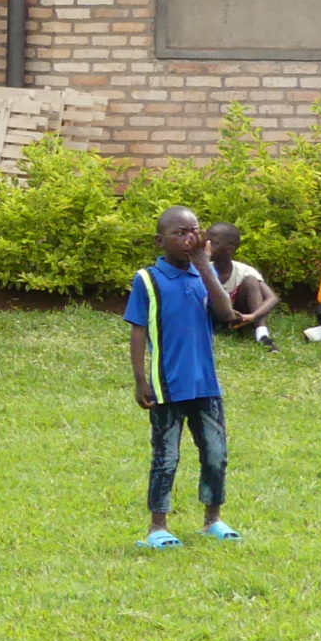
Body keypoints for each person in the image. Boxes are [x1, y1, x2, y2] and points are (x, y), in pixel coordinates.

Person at [126, 206, 240, 548]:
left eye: (194, 230)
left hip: (205, 383)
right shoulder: (148, 279)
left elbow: (226, 313)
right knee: (166, 456)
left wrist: (204, 265)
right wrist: (140, 380)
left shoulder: (204, 274)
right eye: (179, 232)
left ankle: (213, 519)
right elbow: (138, 330)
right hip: (167, 384)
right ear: (161, 241)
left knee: (216, 453)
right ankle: (157, 526)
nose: (189, 237)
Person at [204, 222, 279, 348]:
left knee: (251, 281)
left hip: (239, 315)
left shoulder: (244, 270)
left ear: (229, 249)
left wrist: (253, 316)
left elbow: (272, 298)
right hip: (214, 314)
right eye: (206, 241)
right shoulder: (203, 269)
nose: (207, 246)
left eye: (214, 243)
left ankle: (262, 333)